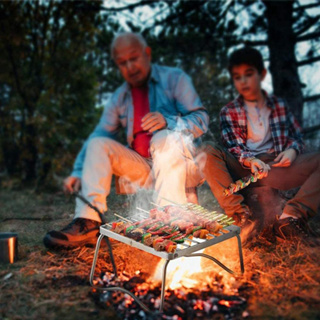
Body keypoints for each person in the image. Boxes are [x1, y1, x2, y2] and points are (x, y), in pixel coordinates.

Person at [43, 32, 209, 249]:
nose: (130, 66)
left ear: (147, 54)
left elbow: (202, 118)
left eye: (134, 58)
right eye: (123, 63)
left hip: (179, 165)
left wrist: (168, 121)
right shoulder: (121, 96)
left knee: (163, 137)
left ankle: (171, 221)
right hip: (145, 168)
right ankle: (89, 222)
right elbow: (100, 132)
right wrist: (77, 171)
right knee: (98, 144)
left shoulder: (175, 79)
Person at [198, 46, 320, 243]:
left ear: (262, 74)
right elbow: (233, 146)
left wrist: (292, 150)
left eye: (248, 74)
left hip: (275, 167)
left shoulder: (279, 106)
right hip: (244, 169)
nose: (243, 81)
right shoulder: (229, 111)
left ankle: (290, 218)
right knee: (207, 149)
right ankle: (240, 217)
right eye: (237, 77)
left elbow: (296, 136)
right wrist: (250, 159)